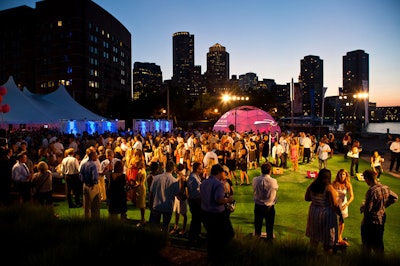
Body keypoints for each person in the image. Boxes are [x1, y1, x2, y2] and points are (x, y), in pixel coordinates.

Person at [200, 164, 235, 263]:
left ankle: (211, 257)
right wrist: (228, 200)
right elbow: (218, 200)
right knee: (227, 234)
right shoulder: (218, 184)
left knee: (211, 236)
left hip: (205, 212)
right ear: (219, 172)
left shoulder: (204, 182)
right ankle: (220, 257)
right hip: (217, 214)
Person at [360, 169, 398, 256]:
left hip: (371, 221)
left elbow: (368, 210)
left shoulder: (371, 191)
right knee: (379, 241)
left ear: (368, 178)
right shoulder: (385, 188)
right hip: (381, 218)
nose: (365, 181)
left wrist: (362, 207)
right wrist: (384, 206)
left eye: (365, 179)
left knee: (367, 243)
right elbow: (395, 198)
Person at [305, 168, 339, 253]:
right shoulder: (328, 187)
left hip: (314, 212)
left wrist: (316, 199)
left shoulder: (312, 185)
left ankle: (312, 257)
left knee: (314, 237)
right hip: (326, 213)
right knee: (327, 238)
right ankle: (326, 259)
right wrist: (340, 214)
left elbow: (307, 198)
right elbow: (334, 204)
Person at [149, 161, 180, 232]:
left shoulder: (156, 178)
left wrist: (150, 204)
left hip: (157, 205)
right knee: (165, 227)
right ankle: (164, 240)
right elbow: (177, 195)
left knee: (154, 228)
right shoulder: (174, 181)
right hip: (167, 206)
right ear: (173, 169)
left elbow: (151, 193)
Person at [252, 162, 278, 240]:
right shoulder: (273, 181)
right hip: (269, 207)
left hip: (258, 206)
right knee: (269, 228)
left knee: (258, 227)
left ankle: (256, 245)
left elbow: (254, 189)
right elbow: (275, 188)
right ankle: (269, 244)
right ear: (270, 171)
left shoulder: (255, 179)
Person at [332, 169, 354, 246]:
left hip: (343, 205)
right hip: (334, 204)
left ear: (346, 175)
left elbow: (352, 197)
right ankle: (332, 236)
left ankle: (340, 236)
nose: (342, 176)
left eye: (343, 174)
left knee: (341, 220)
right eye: (340, 174)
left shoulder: (348, 185)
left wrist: (347, 204)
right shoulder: (334, 183)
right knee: (333, 220)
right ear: (338, 175)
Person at [79, 151, 101, 219]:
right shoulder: (93, 165)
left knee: (86, 204)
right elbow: (94, 177)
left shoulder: (84, 164)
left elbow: (80, 175)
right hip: (92, 186)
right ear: (92, 156)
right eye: (96, 155)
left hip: (85, 185)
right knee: (94, 204)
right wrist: (94, 183)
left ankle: (86, 218)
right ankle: (95, 219)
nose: (97, 157)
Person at [187, 161, 204, 245]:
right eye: (201, 168)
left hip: (197, 200)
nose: (202, 170)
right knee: (195, 219)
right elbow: (194, 191)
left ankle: (197, 234)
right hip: (195, 201)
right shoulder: (193, 178)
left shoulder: (196, 176)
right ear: (197, 169)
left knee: (198, 219)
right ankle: (192, 237)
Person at [170, 163, 188, 235]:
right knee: (177, 212)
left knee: (183, 213)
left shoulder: (181, 177)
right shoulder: (180, 176)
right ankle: (176, 226)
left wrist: (179, 195)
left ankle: (183, 229)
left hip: (180, 197)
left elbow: (181, 187)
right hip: (178, 197)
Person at [136, 160, 147, 226]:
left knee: (142, 205)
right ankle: (142, 219)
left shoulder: (141, 172)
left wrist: (133, 186)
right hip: (142, 187)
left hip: (140, 188)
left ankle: (142, 219)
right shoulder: (143, 171)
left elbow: (140, 183)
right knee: (142, 205)